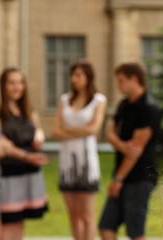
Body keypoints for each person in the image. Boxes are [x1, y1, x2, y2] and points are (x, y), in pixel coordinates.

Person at [98, 62, 161, 240]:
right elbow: (109, 133)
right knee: (106, 227)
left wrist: (118, 179)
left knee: (135, 232)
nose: (118, 86)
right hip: (122, 175)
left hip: (140, 178)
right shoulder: (124, 105)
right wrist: (123, 145)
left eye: (121, 81)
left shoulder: (149, 108)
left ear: (134, 79)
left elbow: (135, 151)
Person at [51, 60, 107, 240]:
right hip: (67, 163)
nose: (74, 79)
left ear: (88, 77)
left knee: (87, 216)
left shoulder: (99, 100)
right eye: (73, 75)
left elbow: (93, 129)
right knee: (73, 216)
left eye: (79, 75)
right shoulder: (65, 99)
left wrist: (67, 129)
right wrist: (80, 130)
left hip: (86, 163)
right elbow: (54, 131)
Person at [0, 67, 49, 240]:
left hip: (30, 172)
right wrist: (28, 156)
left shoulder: (28, 108)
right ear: (3, 86)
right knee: (8, 224)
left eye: (20, 82)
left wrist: (39, 136)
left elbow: (39, 129)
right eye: (11, 82)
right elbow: (4, 147)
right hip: (9, 176)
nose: (16, 87)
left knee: (19, 223)